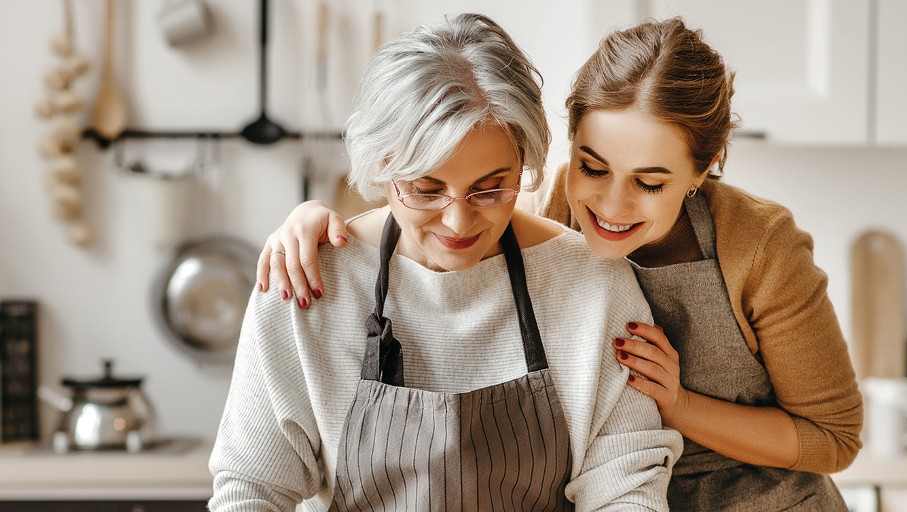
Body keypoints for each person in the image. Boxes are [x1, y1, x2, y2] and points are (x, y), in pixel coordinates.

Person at [255, 16, 864, 511]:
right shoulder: (545, 214)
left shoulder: (758, 246)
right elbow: (445, 200)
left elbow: (833, 439)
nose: (611, 206)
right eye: (592, 168)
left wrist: (677, 405)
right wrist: (312, 220)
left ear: (703, 173)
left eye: (650, 183)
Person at [209, 13, 684, 512]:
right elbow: (251, 489)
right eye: (425, 189)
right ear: (383, 165)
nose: (458, 223)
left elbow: (627, 491)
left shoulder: (594, 285)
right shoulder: (307, 279)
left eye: (490, 188)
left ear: (525, 163)